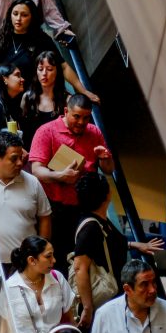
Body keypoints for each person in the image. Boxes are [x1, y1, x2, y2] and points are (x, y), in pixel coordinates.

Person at [29, 93, 114, 274]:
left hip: (84, 209)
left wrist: (104, 158)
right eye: (76, 116)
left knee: (85, 260)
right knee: (56, 259)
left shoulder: (94, 132)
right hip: (53, 208)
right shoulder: (47, 131)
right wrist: (60, 176)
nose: (81, 122)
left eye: (85, 117)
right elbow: (36, 169)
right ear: (66, 112)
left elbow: (108, 169)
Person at [72, 172, 163, 331]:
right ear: (107, 195)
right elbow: (80, 268)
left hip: (112, 296)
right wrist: (87, 308)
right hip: (101, 300)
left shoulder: (101, 220)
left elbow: (111, 243)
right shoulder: (90, 227)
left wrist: (136, 245)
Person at [0, 0, 94, 106]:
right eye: (15, 14)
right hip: (3, 97)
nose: (18, 19)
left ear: (32, 18)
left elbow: (63, 66)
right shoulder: (0, 38)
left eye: (24, 15)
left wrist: (83, 91)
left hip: (30, 98)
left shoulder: (41, 40)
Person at [0, 131, 52, 273]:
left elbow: (45, 217)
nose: (20, 163)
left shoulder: (32, 182)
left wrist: (40, 251)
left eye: (21, 157)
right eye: (14, 159)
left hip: (26, 264)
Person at [6, 236, 72, 333]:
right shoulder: (10, 288)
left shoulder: (57, 279)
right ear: (32, 260)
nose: (54, 260)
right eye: (48, 256)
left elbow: (69, 319)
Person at [19, 50, 69, 147]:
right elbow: (22, 129)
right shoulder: (27, 98)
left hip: (57, 154)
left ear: (57, 71)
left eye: (49, 69)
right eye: (40, 69)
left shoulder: (67, 100)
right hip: (31, 153)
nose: (44, 73)